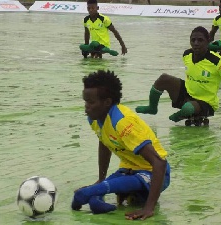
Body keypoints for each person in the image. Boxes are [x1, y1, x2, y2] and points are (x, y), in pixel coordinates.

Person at [71, 70, 170, 220]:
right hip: (128, 169)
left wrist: (149, 208)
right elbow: (104, 143)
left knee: (94, 191)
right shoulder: (94, 118)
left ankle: (93, 192)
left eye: (91, 102)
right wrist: (101, 178)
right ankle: (98, 194)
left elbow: (159, 163)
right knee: (99, 193)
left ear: (107, 102)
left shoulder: (123, 122)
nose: (86, 107)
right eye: (85, 101)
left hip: (153, 172)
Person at [136, 26, 221, 122]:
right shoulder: (187, 55)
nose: (196, 43)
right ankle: (152, 108)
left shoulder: (217, 61)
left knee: (188, 108)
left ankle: (181, 114)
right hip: (188, 94)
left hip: (206, 102)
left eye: (200, 40)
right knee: (164, 78)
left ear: (208, 40)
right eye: (193, 40)